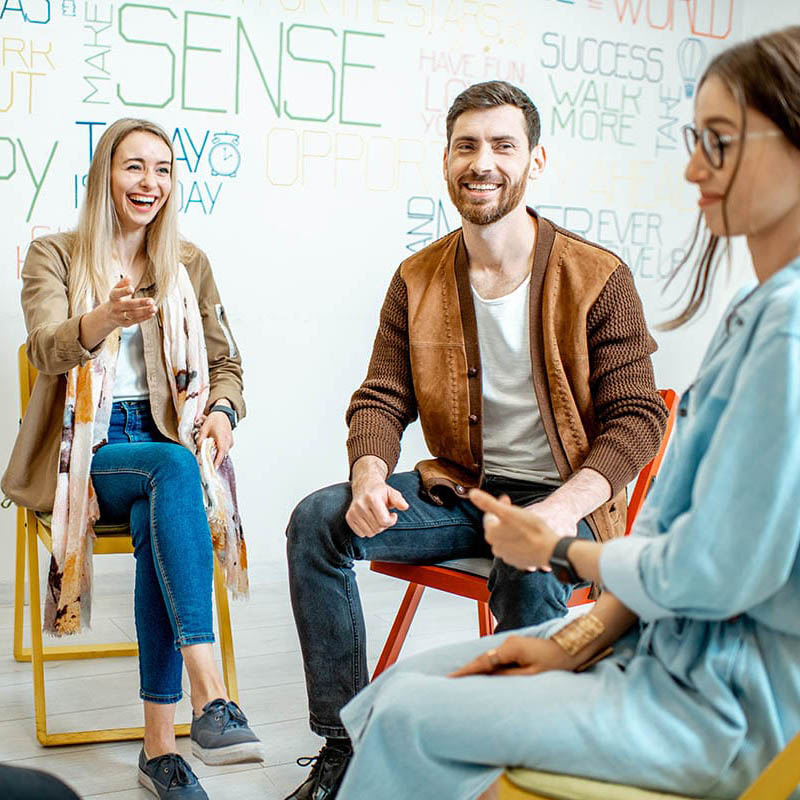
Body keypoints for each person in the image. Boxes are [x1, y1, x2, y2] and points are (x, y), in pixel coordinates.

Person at [332, 26, 800, 800]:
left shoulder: (763, 323)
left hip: (711, 698)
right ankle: (334, 756)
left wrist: (560, 545)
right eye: (696, 139)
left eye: (719, 141)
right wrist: (582, 635)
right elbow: (381, 395)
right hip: (636, 626)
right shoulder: (755, 312)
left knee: (407, 714)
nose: (691, 167)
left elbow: (708, 568)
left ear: (533, 160)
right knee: (380, 697)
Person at [284, 80, 668, 799]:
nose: (482, 161)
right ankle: (344, 745)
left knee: (527, 571)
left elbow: (637, 418)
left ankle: (516, 767)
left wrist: (559, 511)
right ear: (446, 159)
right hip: (459, 491)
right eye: (466, 145)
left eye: (502, 145)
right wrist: (369, 477)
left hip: (566, 498)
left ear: (535, 159)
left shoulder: (598, 276)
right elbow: (381, 396)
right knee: (316, 521)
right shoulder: (418, 277)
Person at [2, 118, 262, 800]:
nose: (150, 182)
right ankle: (210, 693)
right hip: (87, 454)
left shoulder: (189, 263)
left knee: (165, 497)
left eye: (164, 169)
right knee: (171, 471)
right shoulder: (53, 255)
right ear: (104, 176)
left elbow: (228, 363)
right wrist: (104, 320)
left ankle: (159, 752)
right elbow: (45, 349)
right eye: (134, 167)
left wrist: (224, 414)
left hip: (167, 440)